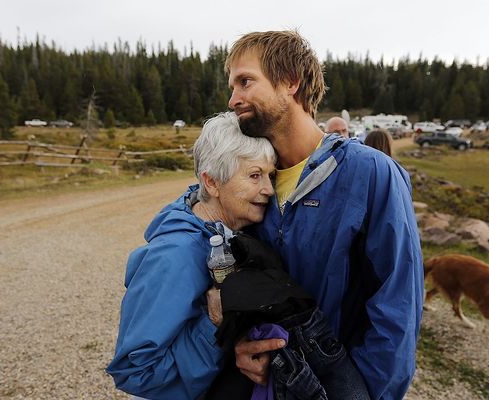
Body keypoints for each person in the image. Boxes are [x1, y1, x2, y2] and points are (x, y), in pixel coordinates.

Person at [225, 30, 423, 400]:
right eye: (232, 86)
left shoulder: (370, 174)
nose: (233, 98)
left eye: (245, 81)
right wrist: (242, 342)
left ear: (291, 82)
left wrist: (359, 392)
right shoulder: (251, 182)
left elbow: (398, 308)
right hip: (270, 387)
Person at [106, 112, 277, 399]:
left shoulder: (234, 232)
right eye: (255, 175)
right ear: (211, 183)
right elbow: (136, 372)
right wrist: (212, 323)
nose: (269, 190)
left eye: (271, 175)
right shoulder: (175, 255)